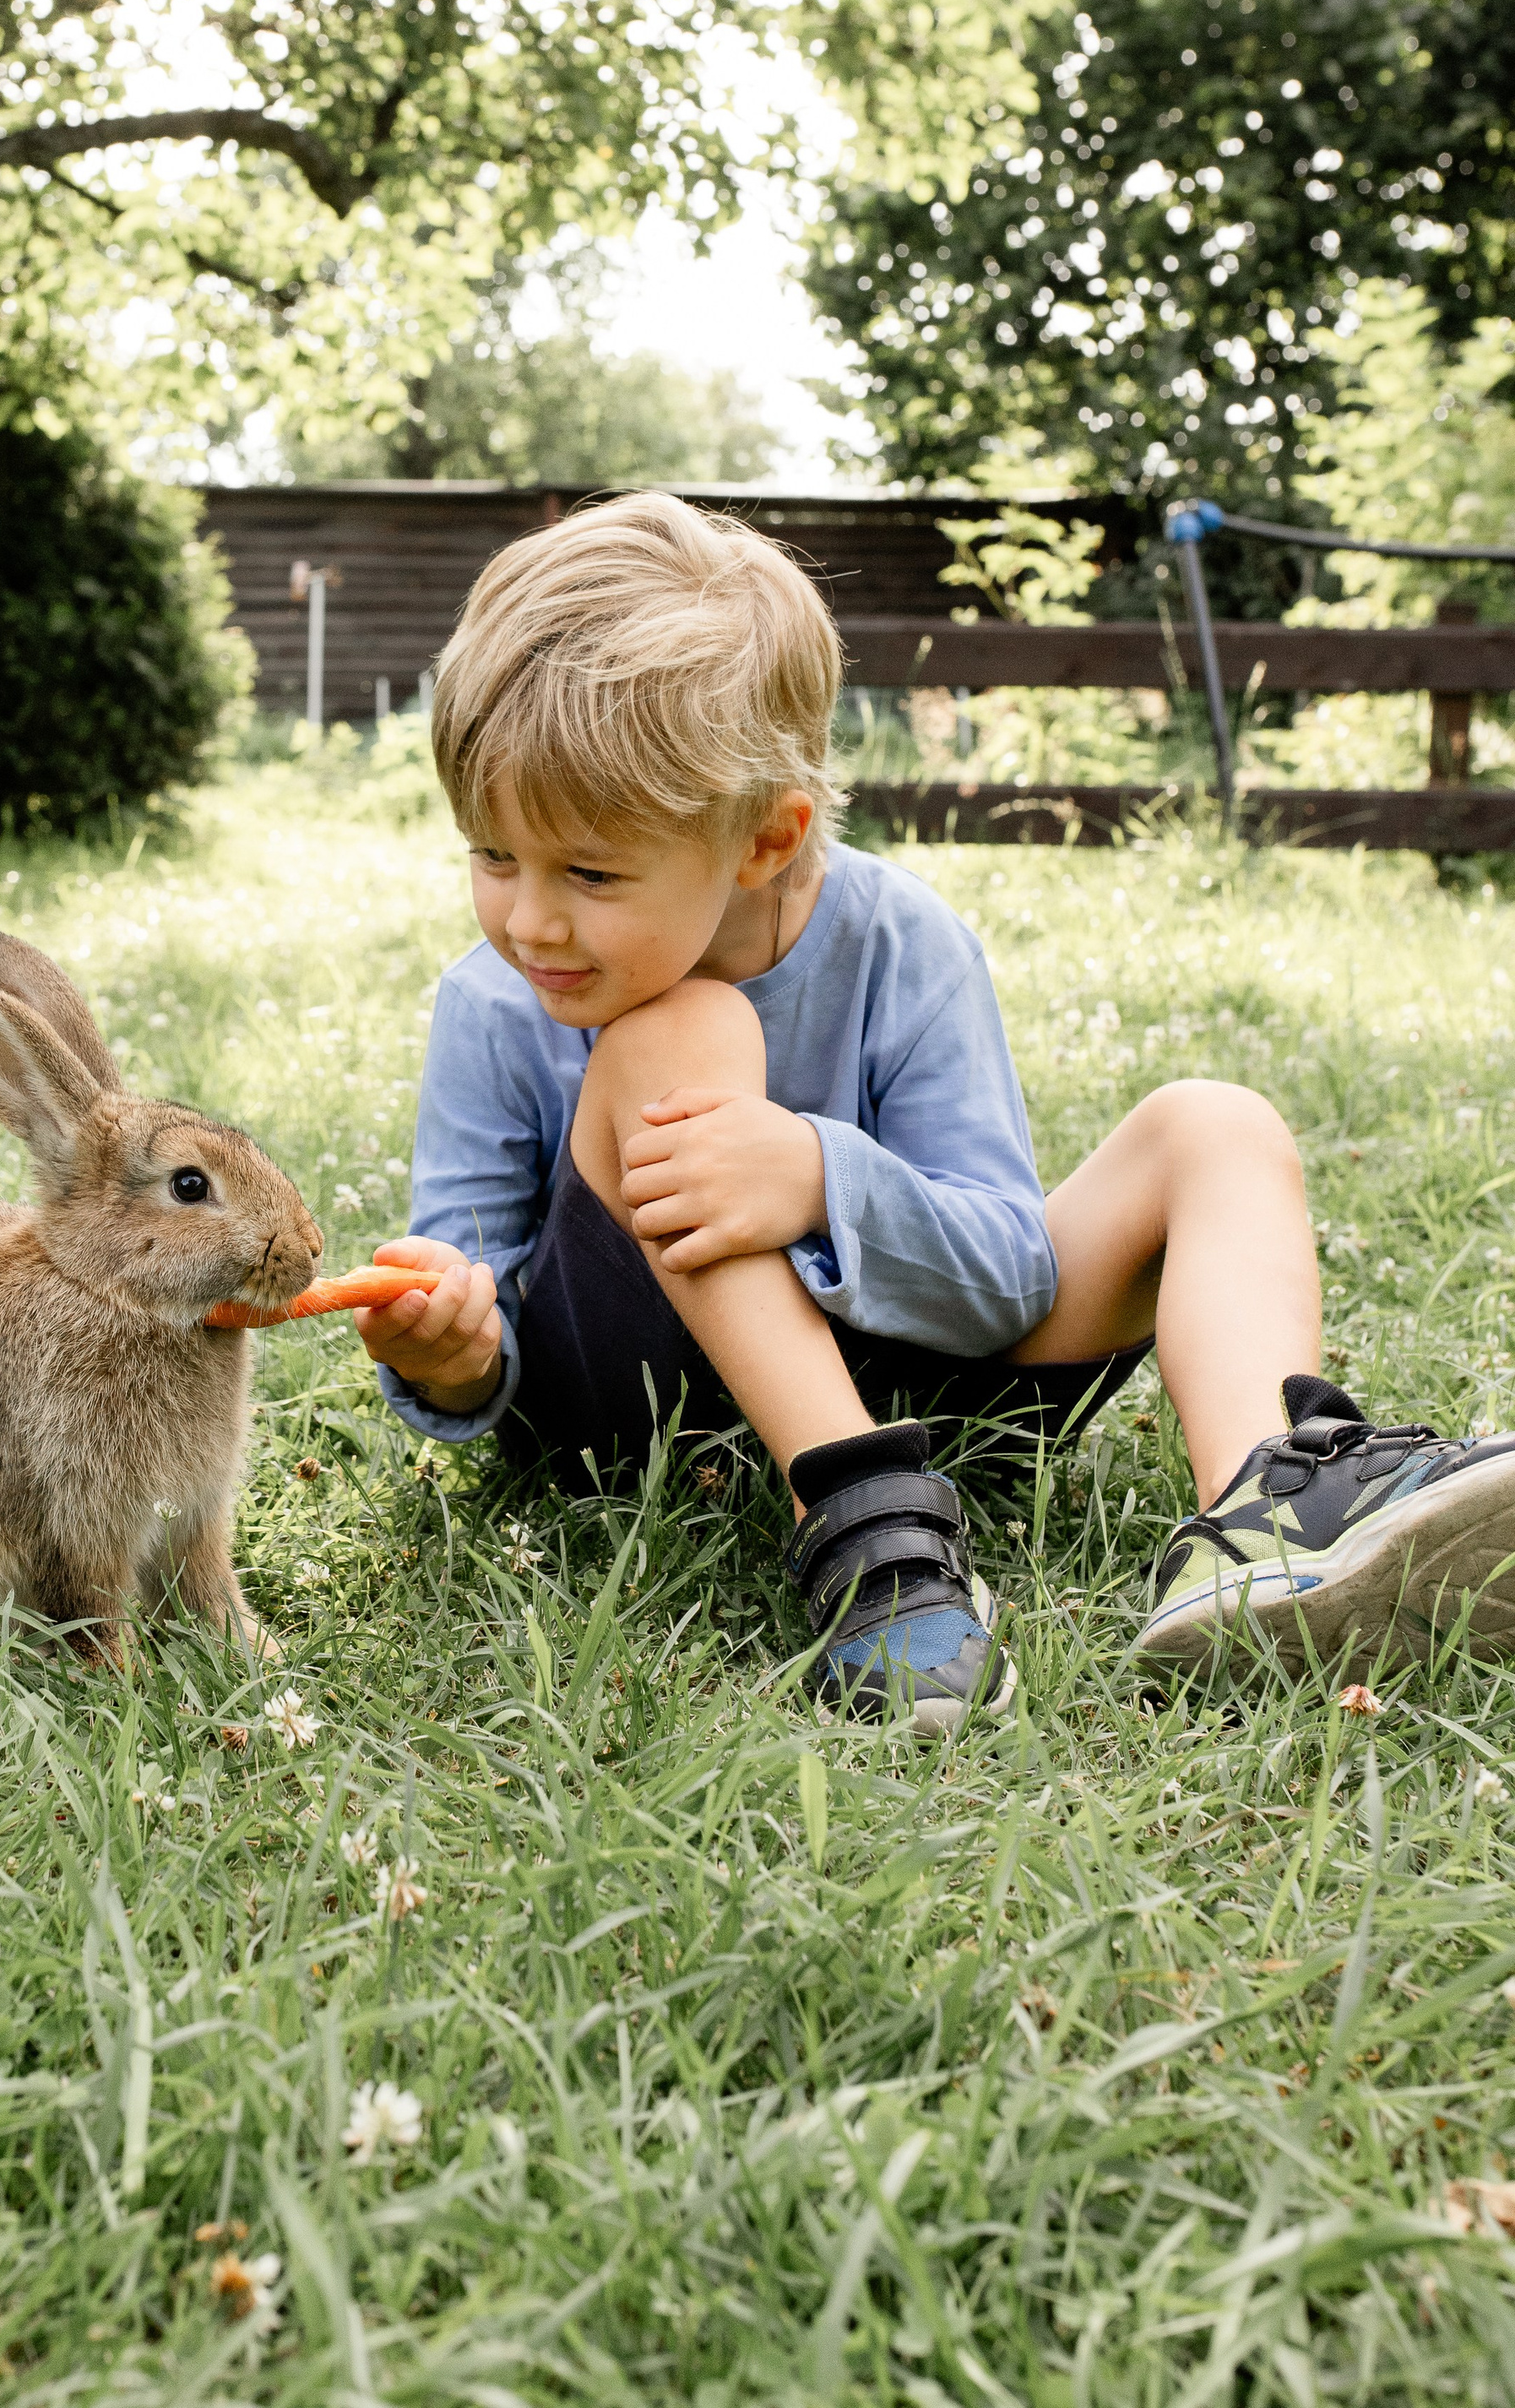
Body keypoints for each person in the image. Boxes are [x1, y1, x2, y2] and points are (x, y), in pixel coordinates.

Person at [350, 491, 1515, 1731]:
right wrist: (453, 1354)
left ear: (765, 839)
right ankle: (862, 1528)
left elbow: (1010, 1272)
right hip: (641, 1413)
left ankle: (1272, 1510)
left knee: (1215, 1125)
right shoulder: (495, 1002)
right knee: (679, 1035)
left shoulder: (902, 944)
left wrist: (817, 1178)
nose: (529, 919)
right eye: (492, 856)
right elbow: (485, 1325)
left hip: (921, 1376)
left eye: (588, 871)